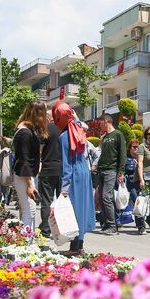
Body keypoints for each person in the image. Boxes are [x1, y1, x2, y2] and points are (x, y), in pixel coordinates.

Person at [53, 102, 96, 256]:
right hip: (84, 172)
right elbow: (77, 121)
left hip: (75, 174)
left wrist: (64, 187)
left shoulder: (64, 136)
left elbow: (67, 164)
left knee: (74, 210)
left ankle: (74, 247)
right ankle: (80, 245)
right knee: (83, 208)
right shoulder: (78, 128)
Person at [13, 101, 48, 233]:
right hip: (24, 176)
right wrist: (29, 184)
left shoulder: (23, 130)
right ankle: (26, 241)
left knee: (28, 208)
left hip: (23, 174)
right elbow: (25, 159)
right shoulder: (26, 133)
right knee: (29, 209)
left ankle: (27, 240)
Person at [95, 112, 126, 235]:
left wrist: (121, 172)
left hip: (111, 170)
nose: (99, 126)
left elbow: (122, 154)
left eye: (100, 123)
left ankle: (113, 226)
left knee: (106, 197)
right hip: (101, 170)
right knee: (103, 198)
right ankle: (108, 223)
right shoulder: (105, 136)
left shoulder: (118, 134)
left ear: (105, 122)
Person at [38, 109, 63, 237]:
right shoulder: (63, 129)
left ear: (48, 117)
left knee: (46, 200)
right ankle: (61, 228)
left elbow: (40, 150)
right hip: (62, 169)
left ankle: (46, 230)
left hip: (48, 168)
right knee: (62, 200)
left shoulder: (45, 129)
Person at [125, 139, 148, 234]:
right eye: (134, 147)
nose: (136, 149)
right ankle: (141, 226)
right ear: (129, 148)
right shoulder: (126, 159)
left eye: (137, 147)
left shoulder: (141, 157)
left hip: (141, 184)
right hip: (131, 184)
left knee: (142, 204)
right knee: (137, 203)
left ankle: (142, 223)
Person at [0, 136, 13, 205]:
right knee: (4, 189)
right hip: (5, 173)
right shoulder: (7, 151)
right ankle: (4, 201)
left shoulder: (1, 151)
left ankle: (2, 201)